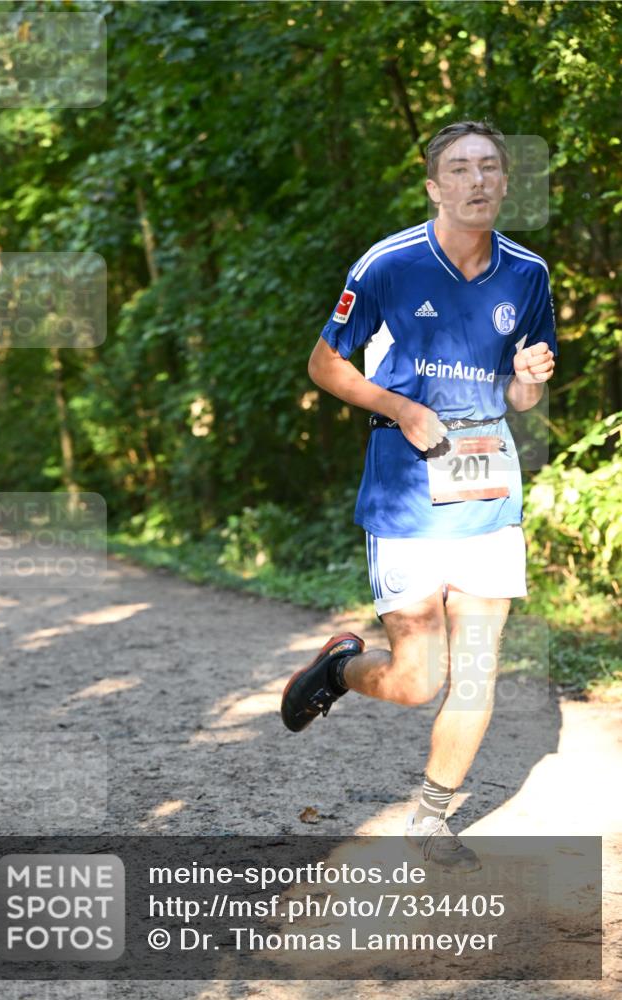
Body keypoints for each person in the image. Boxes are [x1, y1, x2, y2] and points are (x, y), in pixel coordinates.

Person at [281, 120, 557, 872]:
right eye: (459, 169)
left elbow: (517, 390)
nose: (476, 181)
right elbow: (322, 365)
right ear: (435, 186)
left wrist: (526, 385)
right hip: (406, 491)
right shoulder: (387, 265)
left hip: (488, 488)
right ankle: (340, 668)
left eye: (488, 168)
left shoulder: (527, 274)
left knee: (474, 668)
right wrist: (402, 409)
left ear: (503, 183)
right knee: (416, 680)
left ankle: (430, 818)